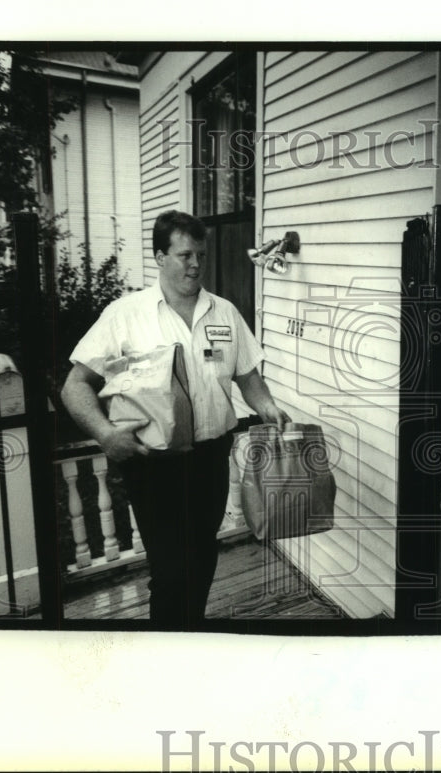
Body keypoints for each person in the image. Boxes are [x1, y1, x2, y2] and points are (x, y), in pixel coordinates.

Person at [61, 210, 289, 628]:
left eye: (200, 254)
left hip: (210, 458)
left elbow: (248, 376)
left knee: (202, 559)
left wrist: (267, 406)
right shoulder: (125, 315)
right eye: (185, 255)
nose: (196, 264)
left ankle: (190, 631)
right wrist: (105, 434)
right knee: (169, 569)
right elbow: (74, 385)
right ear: (159, 257)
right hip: (154, 463)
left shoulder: (224, 313)